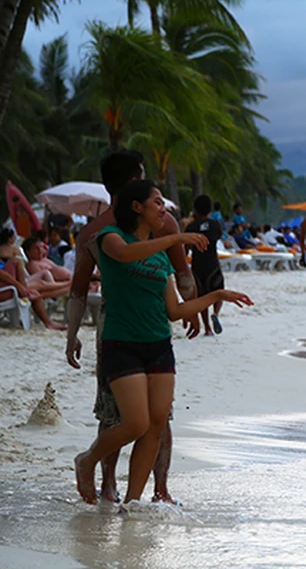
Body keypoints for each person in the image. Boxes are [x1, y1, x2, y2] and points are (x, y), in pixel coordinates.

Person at [73, 179, 253, 506]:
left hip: (158, 344)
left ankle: (132, 503)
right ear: (136, 207)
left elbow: (174, 310)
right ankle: (87, 460)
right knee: (135, 422)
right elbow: (126, 255)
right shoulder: (110, 238)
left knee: (156, 424)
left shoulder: (161, 260)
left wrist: (217, 295)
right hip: (122, 342)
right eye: (156, 202)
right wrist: (177, 237)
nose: (163, 208)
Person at [66, 150, 200, 505]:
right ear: (133, 185)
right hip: (131, 327)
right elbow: (184, 273)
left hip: (114, 321)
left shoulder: (88, 233)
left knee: (120, 413)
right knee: (146, 417)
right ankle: (160, 489)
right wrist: (193, 311)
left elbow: (77, 293)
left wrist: (72, 334)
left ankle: (113, 488)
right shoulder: (161, 227)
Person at [0, 229, 67, 330]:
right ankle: (69, 285)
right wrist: (20, 287)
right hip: (7, 289)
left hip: (11, 285)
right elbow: (2, 274)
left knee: (39, 285)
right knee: (38, 285)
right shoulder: (14, 253)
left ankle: (67, 286)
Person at [185, 195, 226, 336]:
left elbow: (186, 247)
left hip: (198, 265)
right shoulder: (215, 224)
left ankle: (207, 328)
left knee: (202, 297)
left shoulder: (191, 227)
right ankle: (215, 313)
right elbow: (219, 237)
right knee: (218, 291)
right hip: (213, 264)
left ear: (195, 209)